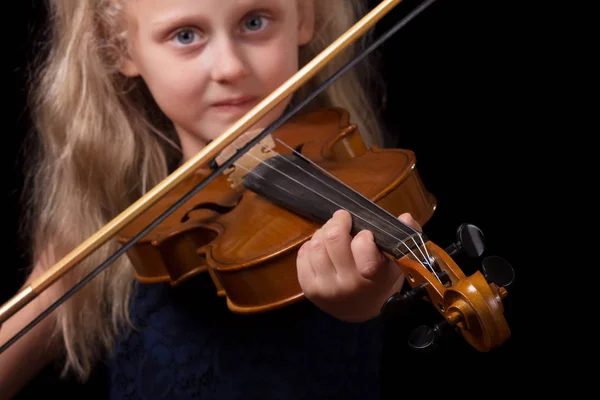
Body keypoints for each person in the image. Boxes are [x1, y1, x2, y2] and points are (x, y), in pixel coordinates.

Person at [1, 0, 422, 398]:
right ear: (122, 48)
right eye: (186, 35)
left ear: (303, 16)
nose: (230, 67)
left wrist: (368, 290)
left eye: (254, 21)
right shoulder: (104, 227)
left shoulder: (350, 186)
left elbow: (378, 292)